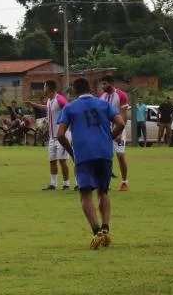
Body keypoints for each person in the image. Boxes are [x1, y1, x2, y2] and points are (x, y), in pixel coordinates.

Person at [57, 78, 126, 250]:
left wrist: (72, 152)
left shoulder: (70, 107)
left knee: (86, 193)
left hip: (83, 153)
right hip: (104, 152)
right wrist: (108, 138)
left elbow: (60, 134)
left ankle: (96, 232)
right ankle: (106, 228)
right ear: (90, 88)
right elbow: (121, 123)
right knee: (104, 191)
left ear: (74, 91)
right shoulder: (103, 104)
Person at [26, 81, 71, 191]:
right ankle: (53, 184)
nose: (43, 89)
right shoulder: (50, 101)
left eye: (44, 87)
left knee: (62, 160)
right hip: (52, 136)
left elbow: (70, 110)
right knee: (52, 160)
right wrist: (33, 104)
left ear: (49, 88)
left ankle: (66, 184)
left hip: (62, 136)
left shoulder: (60, 99)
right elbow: (46, 108)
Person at [98, 76, 130, 191]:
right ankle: (107, 183)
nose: (103, 86)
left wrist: (119, 132)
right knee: (106, 158)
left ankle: (124, 182)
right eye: (102, 84)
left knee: (120, 156)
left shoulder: (121, 95)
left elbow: (124, 114)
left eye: (105, 83)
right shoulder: (101, 96)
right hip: (104, 132)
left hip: (118, 130)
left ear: (112, 83)